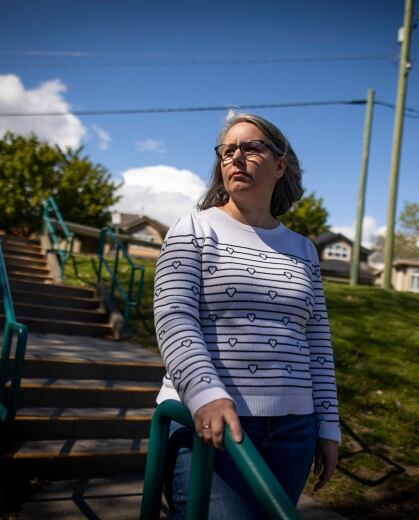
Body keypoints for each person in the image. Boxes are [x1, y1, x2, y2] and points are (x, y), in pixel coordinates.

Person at [153, 113, 340, 519]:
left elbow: (317, 343)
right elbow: (173, 318)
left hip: (294, 430)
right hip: (210, 424)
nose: (236, 156)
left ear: (278, 165)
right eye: (227, 150)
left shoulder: (304, 249)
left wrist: (328, 426)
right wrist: (205, 394)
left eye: (251, 147)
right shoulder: (193, 229)